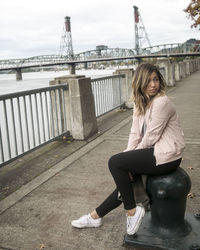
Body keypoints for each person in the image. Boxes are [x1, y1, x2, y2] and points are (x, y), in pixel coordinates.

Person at [71, 62, 185, 235]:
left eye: (155, 79)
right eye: (148, 81)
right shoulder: (141, 102)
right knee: (124, 179)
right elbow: (134, 134)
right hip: (153, 153)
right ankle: (95, 217)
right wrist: (127, 157)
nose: (153, 84)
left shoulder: (162, 101)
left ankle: (131, 212)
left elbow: (150, 137)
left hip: (168, 156)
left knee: (115, 163)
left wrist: (128, 163)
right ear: (140, 82)